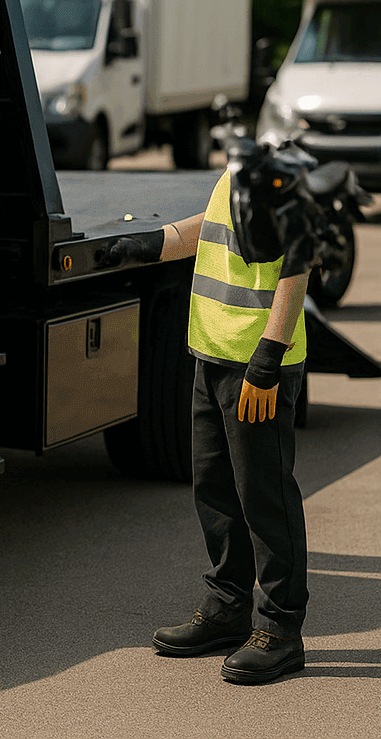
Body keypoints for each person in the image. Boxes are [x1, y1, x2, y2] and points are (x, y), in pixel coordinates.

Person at [106, 167, 310, 684]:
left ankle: (281, 631)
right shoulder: (240, 165)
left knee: (263, 495)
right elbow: (215, 227)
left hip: (255, 366)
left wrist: (269, 356)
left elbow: (296, 262)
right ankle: (227, 609)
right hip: (213, 352)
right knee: (215, 491)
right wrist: (151, 245)